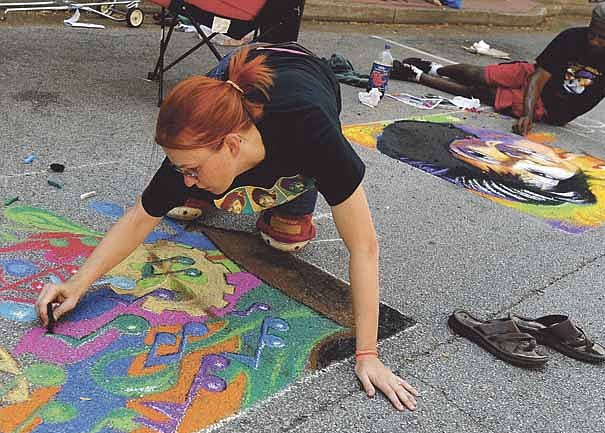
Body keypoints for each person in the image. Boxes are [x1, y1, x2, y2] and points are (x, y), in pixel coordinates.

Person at [35, 42, 418, 411]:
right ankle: (211, 190)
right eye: (183, 170)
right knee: (190, 190)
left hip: (304, 82)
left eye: (192, 170)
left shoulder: (312, 132)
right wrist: (77, 284)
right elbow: (141, 216)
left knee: (286, 236)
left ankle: (270, 197)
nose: (185, 178)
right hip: (236, 73)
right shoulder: (205, 136)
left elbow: (364, 246)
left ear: (232, 144)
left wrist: (367, 354)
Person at [390, 0, 605, 170]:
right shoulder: (571, 37)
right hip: (537, 80)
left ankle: (415, 75)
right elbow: (537, 77)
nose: (594, 41)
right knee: (480, 73)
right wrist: (527, 113)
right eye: (593, 33)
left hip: (554, 108)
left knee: (482, 93)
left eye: (604, 38)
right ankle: (435, 67)